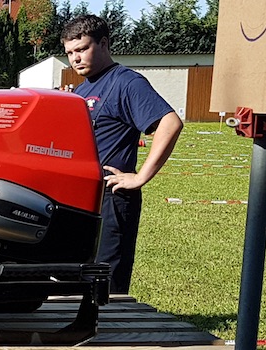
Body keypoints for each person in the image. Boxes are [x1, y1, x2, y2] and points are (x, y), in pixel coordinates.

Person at [62, 15, 183, 294]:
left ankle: (112, 335)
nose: (75, 59)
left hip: (111, 198)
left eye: (82, 49)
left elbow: (170, 123)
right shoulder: (83, 88)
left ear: (103, 44)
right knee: (79, 276)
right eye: (70, 53)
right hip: (82, 198)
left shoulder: (126, 82)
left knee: (106, 281)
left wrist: (139, 177)